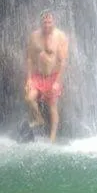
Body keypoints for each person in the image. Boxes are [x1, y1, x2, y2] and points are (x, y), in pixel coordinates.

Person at [24, 10, 69, 143]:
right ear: (41, 22)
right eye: (45, 22)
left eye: (50, 22)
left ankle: (52, 139)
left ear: (54, 22)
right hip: (38, 77)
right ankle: (39, 119)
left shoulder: (60, 36)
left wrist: (57, 81)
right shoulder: (34, 36)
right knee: (29, 97)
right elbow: (30, 59)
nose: (47, 24)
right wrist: (29, 79)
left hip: (53, 77)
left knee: (52, 106)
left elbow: (62, 61)